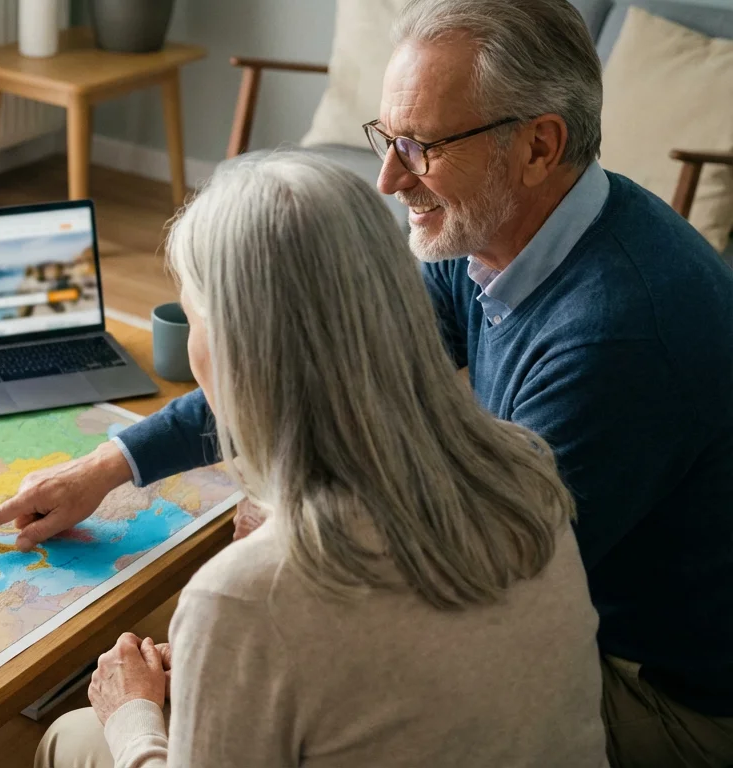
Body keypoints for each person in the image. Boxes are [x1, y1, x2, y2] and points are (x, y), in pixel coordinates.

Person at [0, 1, 733, 764]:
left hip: (663, 696)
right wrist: (112, 465)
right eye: (387, 139)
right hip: (545, 594)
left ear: (540, 145)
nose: (389, 178)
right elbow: (311, 360)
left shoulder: (621, 340)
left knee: (88, 731)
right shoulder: (498, 237)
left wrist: (257, 593)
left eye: (422, 146)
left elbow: (481, 582)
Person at [31, 150, 607, 767]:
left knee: (72, 738)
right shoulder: (526, 464)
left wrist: (133, 713)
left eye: (193, 315)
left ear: (232, 350)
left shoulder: (241, 596)